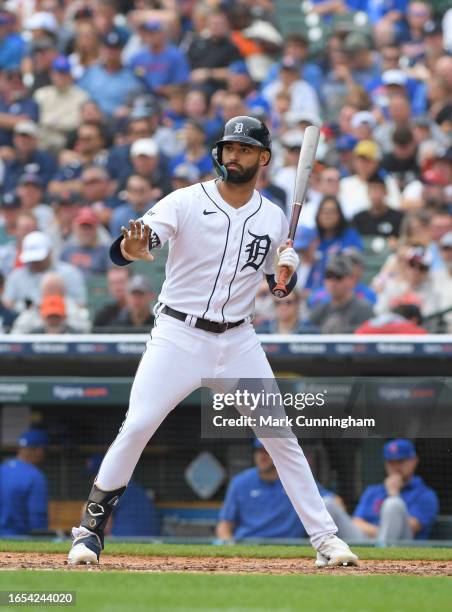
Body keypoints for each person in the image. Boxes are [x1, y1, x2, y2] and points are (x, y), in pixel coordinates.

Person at [68, 115, 358, 568]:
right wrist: (134, 246)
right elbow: (128, 247)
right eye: (228, 148)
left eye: (244, 149)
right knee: (139, 424)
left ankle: (326, 539)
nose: (234, 155)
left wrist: (286, 274)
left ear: (262, 158)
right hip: (178, 334)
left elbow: (278, 288)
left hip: (239, 339)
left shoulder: (273, 215)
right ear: (218, 154)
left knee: (281, 437)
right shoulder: (184, 201)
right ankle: (88, 533)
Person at [216, 440, 337, 541]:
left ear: (280, 455)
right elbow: (224, 525)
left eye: (267, 451)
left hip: (287, 545)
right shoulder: (240, 482)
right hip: (248, 543)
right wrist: (228, 544)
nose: (262, 456)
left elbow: (333, 502)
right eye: (259, 451)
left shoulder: (295, 480)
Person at [324, 439, 439, 544]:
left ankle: (382, 554)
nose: (396, 466)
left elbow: (411, 527)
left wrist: (394, 494)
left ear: (414, 461)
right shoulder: (373, 491)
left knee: (393, 504)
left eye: (401, 461)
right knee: (328, 503)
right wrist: (381, 533)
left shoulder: (426, 495)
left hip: (401, 547)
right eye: (391, 462)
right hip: (366, 541)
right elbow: (356, 521)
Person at [3, 230, 87, 312]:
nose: (35, 262)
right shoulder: (16, 276)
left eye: (39, 258)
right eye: (32, 258)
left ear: (49, 252)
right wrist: (28, 307)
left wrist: (54, 305)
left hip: (61, 321)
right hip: (24, 322)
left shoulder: (69, 273)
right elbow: (7, 303)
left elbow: (80, 303)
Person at [0, 430, 49, 536]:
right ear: (40, 450)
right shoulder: (35, 476)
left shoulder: (2, 469)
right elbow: (37, 517)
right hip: (19, 539)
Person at [309, 255, 374, 333]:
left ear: (351, 280)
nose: (332, 282)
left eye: (338, 277)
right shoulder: (320, 309)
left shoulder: (363, 310)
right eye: (328, 276)